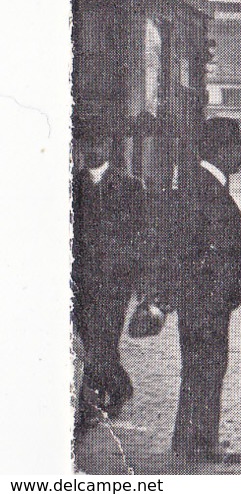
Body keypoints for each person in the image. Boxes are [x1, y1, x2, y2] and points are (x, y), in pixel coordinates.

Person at [167, 131, 241, 463]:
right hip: (205, 301)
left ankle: (191, 439)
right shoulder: (203, 186)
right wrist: (217, 292)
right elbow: (193, 248)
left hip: (206, 300)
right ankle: (201, 443)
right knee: (206, 369)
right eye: (237, 146)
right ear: (220, 149)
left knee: (201, 369)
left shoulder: (203, 183)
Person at [72, 132, 145, 427]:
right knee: (90, 339)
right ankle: (117, 387)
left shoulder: (130, 185)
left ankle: (98, 399)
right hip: (81, 278)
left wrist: (139, 278)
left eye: (98, 142)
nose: (93, 147)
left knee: (105, 338)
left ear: (108, 146)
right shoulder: (72, 185)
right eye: (88, 143)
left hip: (116, 279)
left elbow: (142, 234)